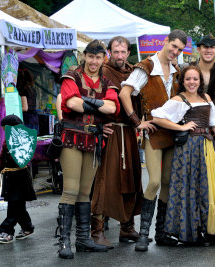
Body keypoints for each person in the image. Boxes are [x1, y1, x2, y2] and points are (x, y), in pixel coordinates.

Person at [119, 29, 187, 252]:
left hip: (172, 132)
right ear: (165, 42)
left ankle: (161, 233)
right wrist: (136, 121)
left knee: (167, 182)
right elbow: (124, 93)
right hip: (153, 132)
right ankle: (144, 234)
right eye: (173, 46)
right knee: (155, 181)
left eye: (179, 49)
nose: (175, 51)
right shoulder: (146, 66)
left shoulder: (176, 69)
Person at [151, 65, 215, 245]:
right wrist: (181, 127)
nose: (192, 82)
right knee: (191, 189)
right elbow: (157, 118)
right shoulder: (178, 99)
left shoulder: (206, 97)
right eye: (188, 79)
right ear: (183, 81)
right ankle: (193, 233)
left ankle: (214, 232)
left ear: (200, 81)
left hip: (207, 145)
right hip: (188, 148)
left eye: (195, 79)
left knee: (214, 188)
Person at [57, 40, 120, 259]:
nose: (94, 61)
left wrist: (84, 100)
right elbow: (71, 104)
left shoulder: (107, 81)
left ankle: (83, 240)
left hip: (93, 140)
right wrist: (98, 103)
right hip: (72, 137)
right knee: (71, 189)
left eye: (98, 57)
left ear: (104, 59)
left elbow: (113, 108)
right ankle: (64, 242)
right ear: (85, 56)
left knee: (86, 191)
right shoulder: (71, 76)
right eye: (91, 57)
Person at [90, 36, 143, 248]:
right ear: (110, 51)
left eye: (123, 52)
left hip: (130, 132)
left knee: (130, 180)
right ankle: (97, 231)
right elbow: (90, 98)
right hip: (110, 133)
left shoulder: (134, 72)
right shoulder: (101, 70)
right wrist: (98, 126)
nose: (119, 56)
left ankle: (127, 227)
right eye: (116, 51)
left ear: (128, 52)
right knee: (106, 183)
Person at [0, 115, 36, 244]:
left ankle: (7, 231)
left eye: (4, 129)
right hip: (21, 176)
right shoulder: (25, 139)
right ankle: (27, 228)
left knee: (14, 205)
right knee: (18, 205)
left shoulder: (9, 142)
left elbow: (2, 162)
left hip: (14, 177)